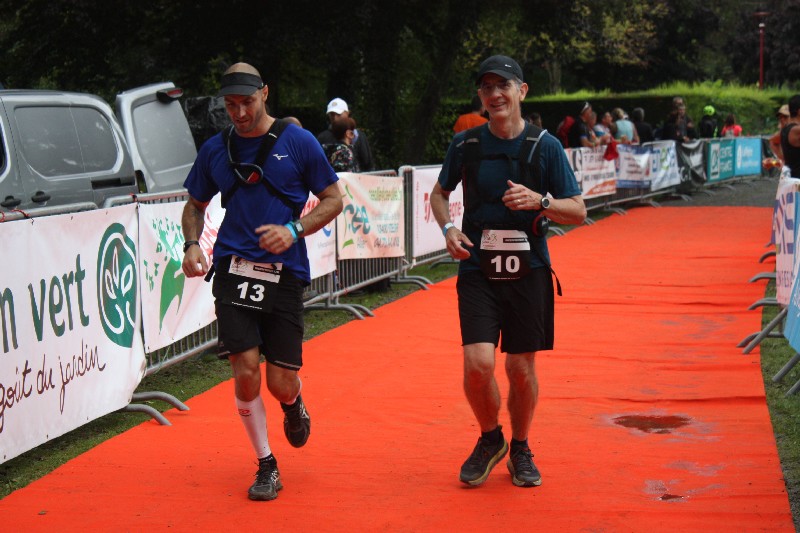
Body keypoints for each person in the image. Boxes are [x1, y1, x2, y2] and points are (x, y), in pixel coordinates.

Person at [181, 62, 343, 502]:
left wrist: (294, 229)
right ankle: (266, 463)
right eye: (231, 105)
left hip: (284, 273)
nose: (239, 113)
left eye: (247, 103)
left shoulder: (299, 142)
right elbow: (194, 205)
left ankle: (293, 403)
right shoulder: (216, 148)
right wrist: (191, 244)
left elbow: (333, 199)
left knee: (279, 381)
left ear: (265, 94)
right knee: (245, 368)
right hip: (233, 268)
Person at [430, 55, 586, 489]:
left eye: (504, 85)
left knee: (519, 367)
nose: (495, 94)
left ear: (522, 90)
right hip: (477, 268)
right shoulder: (465, 144)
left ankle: (521, 446)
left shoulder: (545, 146)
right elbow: (439, 194)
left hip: (528, 269)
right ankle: (490, 437)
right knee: (478, 364)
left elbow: (578, 210)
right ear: (480, 95)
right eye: (487, 87)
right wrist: (448, 229)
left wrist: (542, 201)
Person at [317, 97, 374, 171]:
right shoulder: (322, 138)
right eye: (332, 114)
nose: (335, 118)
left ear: (347, 113)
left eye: (338, 114)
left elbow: (368, 164)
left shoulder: (359, 136)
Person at [781, 95, 800, 177]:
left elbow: (773, 141)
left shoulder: (785, 129)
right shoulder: (796, 130)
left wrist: (782, 159)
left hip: (790, 178)